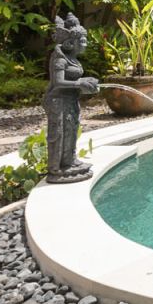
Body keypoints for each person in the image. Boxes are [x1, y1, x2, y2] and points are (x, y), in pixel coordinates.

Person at [44, 13, 100, 183]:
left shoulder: (73, 59)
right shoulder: (60, 58)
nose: (85, 44)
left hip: (70, 100)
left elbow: (75, 80)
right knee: (59, 132)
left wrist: (87, 83)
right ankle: (57, 167)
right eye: (82, 41)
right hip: (57, 101)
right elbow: (58, 82)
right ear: (70, 42)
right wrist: (79, 83)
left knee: (71, 130)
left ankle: (70, 160)